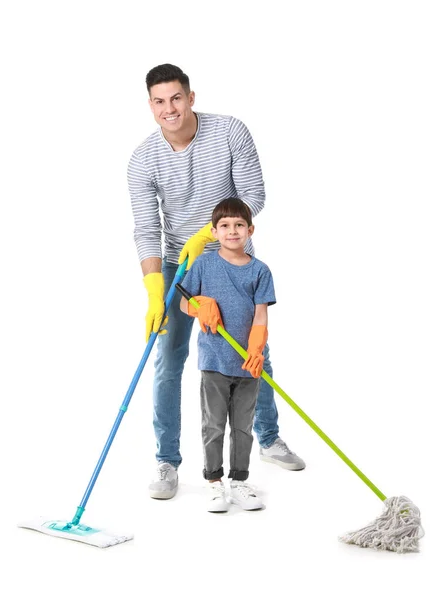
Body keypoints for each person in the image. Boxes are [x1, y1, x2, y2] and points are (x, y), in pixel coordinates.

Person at [127, 63, 305, 500]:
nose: (169, 109)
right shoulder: (142, 160)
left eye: (176, 98)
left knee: (250, 350)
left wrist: (209, 233)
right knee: (169, 358)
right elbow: (147, 229)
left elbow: (253, 194)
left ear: (191, 97)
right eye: (159, 101)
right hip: (180, 266)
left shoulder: (229, 132)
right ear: (150, 105)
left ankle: (267, 437)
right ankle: (167, 461)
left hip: (232, 256)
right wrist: (155, 291)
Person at [180, 198, 273, 512]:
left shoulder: (260, 271)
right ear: (214, 230)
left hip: (248, 363)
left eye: (238, 225)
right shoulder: (204, 265)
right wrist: (198, 304)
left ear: (250, 229)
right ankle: (215, 482)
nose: (232, 231)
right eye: (224, 225)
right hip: (214, 360)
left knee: (244, 426)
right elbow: (183, 303)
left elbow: (261, 315)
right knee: (214, 425)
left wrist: (257, 348)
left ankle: (239, 481)